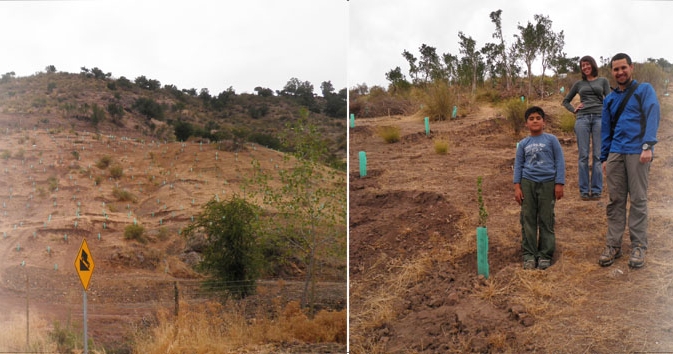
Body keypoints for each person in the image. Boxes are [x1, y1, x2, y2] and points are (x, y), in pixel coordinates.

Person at [598, 53, 660, 268]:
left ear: (631, 68)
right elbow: (606, 129)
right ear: (612, 72)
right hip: (615, 153)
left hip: (637, 152)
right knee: (615, 201)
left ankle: (638, 246)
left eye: (623, 67)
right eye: (616, 69)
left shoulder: (644, 90)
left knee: (638, 200)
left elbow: (653, 114)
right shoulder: (609, 99)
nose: (620, 72)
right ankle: (613, 245)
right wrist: (604, 157)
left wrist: (648, 145)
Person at [514, 106, 566, 270]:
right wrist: (517, 187)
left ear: (544, 122)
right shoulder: (523, 144)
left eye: (538, 118)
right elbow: (518, 165)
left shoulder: (551, 140)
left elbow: (560, 162)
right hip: (527, 183)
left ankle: (545, 254)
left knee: (546, 219)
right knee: (528, 219)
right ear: (526, 124)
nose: (535, 121)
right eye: (531, 118)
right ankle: (529, 254)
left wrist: (559, 183)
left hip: (548, 183)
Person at [562, 55, 611, 200]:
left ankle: (596, 190)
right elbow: (565, 101)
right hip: (582, 118)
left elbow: (609, 100)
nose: (585, 67)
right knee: (583, 156)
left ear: (593, 65)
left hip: (599, 118)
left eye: (587, 64)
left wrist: (608, 117)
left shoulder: (603, 81)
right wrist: (574, 109)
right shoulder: (578, 84)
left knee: (597, 155)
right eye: (583, 65)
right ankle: (584, 191)